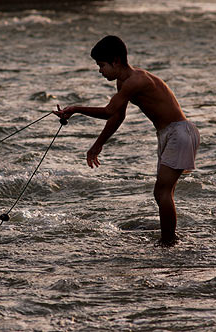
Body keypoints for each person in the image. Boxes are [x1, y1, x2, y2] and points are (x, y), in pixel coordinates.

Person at [53, 35, 200, 247]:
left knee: (162, 191)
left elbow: (108, 111)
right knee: (162, 193)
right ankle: (169, 239)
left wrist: (75, 109)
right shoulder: (123, 82)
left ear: (116, 61)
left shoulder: (136, 81)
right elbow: (117, 116)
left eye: (101, 65)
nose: (100, 71)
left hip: (180, 132)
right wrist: (97, 144)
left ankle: (168, 242)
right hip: (169, 134)